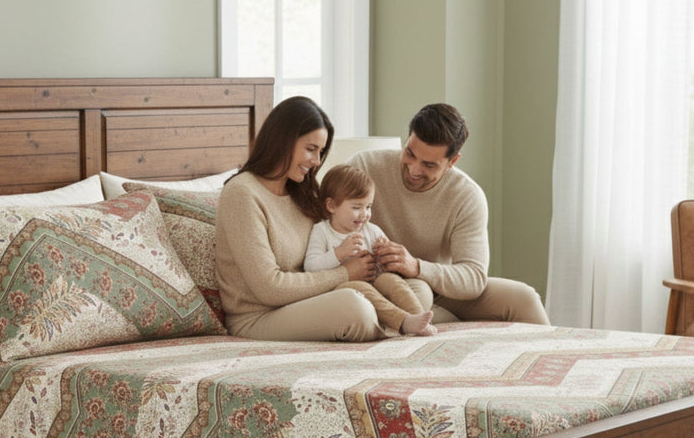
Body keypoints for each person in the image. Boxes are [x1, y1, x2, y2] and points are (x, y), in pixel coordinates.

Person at [348, 103, 550, 326]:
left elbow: (473, 277)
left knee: (524, 298)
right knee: (419, 296)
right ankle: (434, 319)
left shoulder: (466, 196)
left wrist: (416, 266)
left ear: (452, 161)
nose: (414, 170)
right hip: (383, 284)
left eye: (429, 165)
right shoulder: (364, 167)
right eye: (410, 153)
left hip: (439, 287)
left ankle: (548, 358)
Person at [215, 96, 385, 342]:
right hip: (259, 317)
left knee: (413, 291)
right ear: (283, 140)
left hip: (310, 301)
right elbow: (269, 288)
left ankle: (403, 320)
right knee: (353, 308)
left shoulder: (303, 191)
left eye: (321, 152)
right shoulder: (242, 194)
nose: (316, 161)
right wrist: (345, 274)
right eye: (311, 149)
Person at [304, 164, 436, 336]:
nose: (364, 214)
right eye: (356, 207)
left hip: (376, 282)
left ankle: (419, 317)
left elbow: (388, 266)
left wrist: (383, 254)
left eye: (368, 207)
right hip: (343, 289)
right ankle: (402, 322)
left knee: (391, 280)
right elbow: (310, 266)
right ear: (331, 206)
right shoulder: (322, 231)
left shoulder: (371, 230)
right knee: (359, 287)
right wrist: (339, 253)